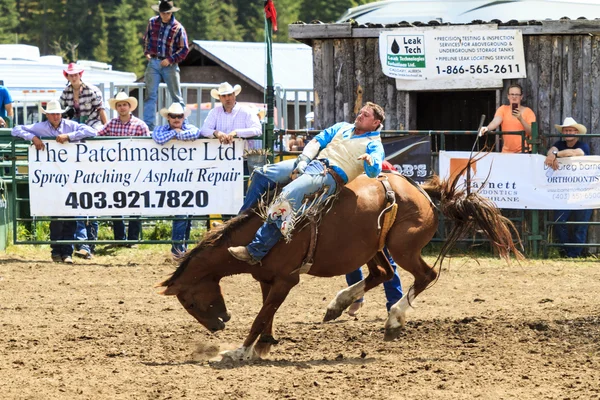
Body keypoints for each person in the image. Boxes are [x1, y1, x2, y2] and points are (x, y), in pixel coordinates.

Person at [228, 102, 386, 265]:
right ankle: (239, 227)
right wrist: (303, 160)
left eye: (366, 115)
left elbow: (374, 171)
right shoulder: (343, 127)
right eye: (360, 112)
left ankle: (256, 251)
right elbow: (317, 141)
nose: (360, 116)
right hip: (312, 163)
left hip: (329, 175)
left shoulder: (374, 144)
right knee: (262, 174)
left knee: (287, 196)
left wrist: (370, 161)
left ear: (376, 123)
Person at [11, 100, 97, 263]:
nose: (56, 116)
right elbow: (16, 129)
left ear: (61, 113)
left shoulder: (70, 126)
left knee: (70, 213)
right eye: (53, 113)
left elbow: (92, 131)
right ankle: (57, 250)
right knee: (56, 213)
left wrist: (69, 136)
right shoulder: (40, 127)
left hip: (71, 174)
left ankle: (67, 252)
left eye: (58, 113)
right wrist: (33, 137)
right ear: (47, 115)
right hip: (52, 176)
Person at [345, 160, 403, 316]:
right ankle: (357, 298)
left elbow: (397, 188)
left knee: (386, 261)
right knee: (351, 260)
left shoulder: (383, 166)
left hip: (378, 222)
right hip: (356, 220)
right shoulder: (348, 166)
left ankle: (394, 303)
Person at [99, 91, 150, 245]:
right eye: (119, 105)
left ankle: (133, 239)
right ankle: (120, 238)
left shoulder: (140, 125)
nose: (122, 108)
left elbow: (148, 146)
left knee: (135, 202)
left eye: (124, 105)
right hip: (116, 171)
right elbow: (97, 136)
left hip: (135, 170)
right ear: (116, 108)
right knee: (117, 203)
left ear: (130, 107)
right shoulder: (111, 124)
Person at [151, 102, 201, 257]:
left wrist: (174, 134)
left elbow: (195, 134)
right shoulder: (161, 129)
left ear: (183, 117)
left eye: (179, 116)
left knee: (188, 212)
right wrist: (176, 134)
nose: (176, 119)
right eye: (173, 116)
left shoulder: (190, 127)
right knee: (181, 212)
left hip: (187, 174)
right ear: (168, 118)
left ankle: (181, 248)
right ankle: (178, 250)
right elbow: (158, 138)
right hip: (169, 175)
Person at [544, 117, 593, 258]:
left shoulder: (583, 146)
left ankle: (574, 254)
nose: (568, 132)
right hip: (563, 191)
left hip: (584, 191)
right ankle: (566, 252)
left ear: (576, 132)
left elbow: (575, 153)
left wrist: (556, 155)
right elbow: (550, 152)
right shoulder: (558, 144)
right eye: (566, 130)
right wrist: (552, 154)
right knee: (560, 221)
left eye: (571, 130)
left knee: (581, 224)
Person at [143, 0, 189, 131]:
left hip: (170, 65)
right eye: (162, 12)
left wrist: (170, 59)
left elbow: (184, 49)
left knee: (176, 96)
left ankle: (182, 125)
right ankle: (149, 127)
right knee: (150, 95)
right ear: (159, 12)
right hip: (154, 61)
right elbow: (146, 39)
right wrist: (147, 53)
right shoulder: (152, 22)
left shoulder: (178, 27)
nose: (164, 15)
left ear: (170, 12)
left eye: (167, 13)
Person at [199, 82, 262, 150]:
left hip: (244, 157)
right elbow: (204, 130)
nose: (227, 98)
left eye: (229, 95)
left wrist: (236, 132)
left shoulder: (247, 111)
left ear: (234, 95)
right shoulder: (214, 112)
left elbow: (257, 130)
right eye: (223, 96)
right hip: (220, 156)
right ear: (220, 98)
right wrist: (216, 133)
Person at [480, 83, 536, 153]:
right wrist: (487, 128)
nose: (514, 97)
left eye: (517, 94)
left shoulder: (528, 111)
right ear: (508, 96)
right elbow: (496, 121)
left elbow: (532, 133)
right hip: (506, 152)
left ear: (521, 97)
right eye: (512, 94)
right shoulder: (503, 109)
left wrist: (521, 119)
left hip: (524, 152)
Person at [59, 63, 108, 130]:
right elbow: (60, 109)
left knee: (98, 131)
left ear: (80, 75)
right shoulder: (65, 92)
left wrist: (107, 128)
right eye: (71, 75)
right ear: (67, 77)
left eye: (75, 75)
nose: (74, 78)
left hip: (92, 121)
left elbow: (101, 109)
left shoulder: (92, 90)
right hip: (73, 123)